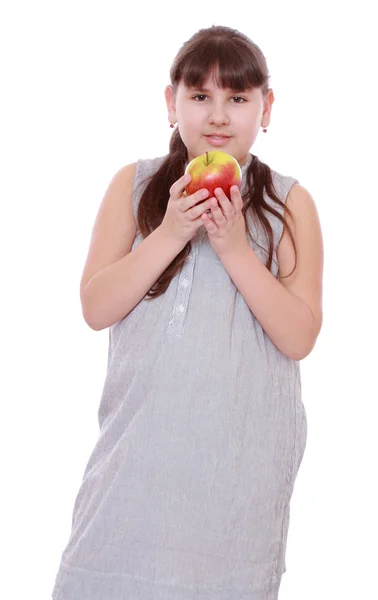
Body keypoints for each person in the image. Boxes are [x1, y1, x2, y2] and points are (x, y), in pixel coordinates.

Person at [51, 24, 323, 600]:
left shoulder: (288, 203)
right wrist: (173, 231)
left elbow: (299, 336)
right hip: (137, 464)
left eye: (238, 98)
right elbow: (96, 307)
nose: (218, 116)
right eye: (200, 96)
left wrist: (233, 249)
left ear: (266, 108)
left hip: (237, 473)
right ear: (170, 103)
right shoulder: (136, 186)